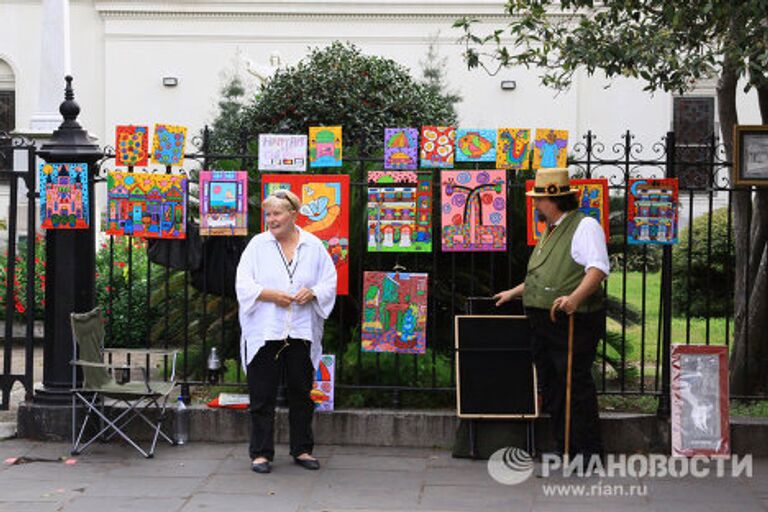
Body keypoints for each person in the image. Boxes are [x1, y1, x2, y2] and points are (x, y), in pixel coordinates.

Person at [494, 167, 609, 461]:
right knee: (553, 385)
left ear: (554, 200)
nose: (534, 205)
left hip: (571, 321)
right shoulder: (551, 230)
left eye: (538, 200)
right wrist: (515, 292)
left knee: (574, 383)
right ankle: (565, 447)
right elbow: (545, 275)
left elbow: (597, 268)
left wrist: (573, 299)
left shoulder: (585, 227)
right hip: (544, 321)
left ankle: (587, 451)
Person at [236, 189, 337, 474]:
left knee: (302, 394)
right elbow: (242, 284)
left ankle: (302, 449)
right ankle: (260, 453)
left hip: (301, 331)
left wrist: (314, 292)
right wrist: (269, 295)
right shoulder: (257, 246)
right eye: (268, 214)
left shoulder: (314, 246)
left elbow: (329, 282)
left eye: (277, 213)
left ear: (293, 214)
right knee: (262, 395)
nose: (271, 219)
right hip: (265, 331)